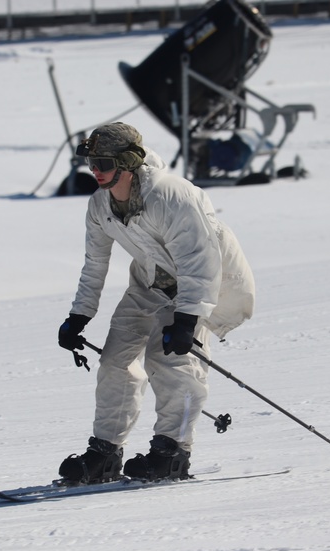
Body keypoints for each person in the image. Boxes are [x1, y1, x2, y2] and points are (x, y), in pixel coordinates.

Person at [57, 122, 255, 484]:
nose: (95, 171)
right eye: (91, 162)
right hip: (149, 283)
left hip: (203, 284)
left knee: (170, 361)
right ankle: (105, 453)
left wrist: (187, 318)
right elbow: (95, 264)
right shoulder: (100, 204)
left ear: (128, 162)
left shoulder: (171, 196)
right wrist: (79, 315)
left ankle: (172, 452)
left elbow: (200, 260)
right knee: (115, 360)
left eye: (103, 162)